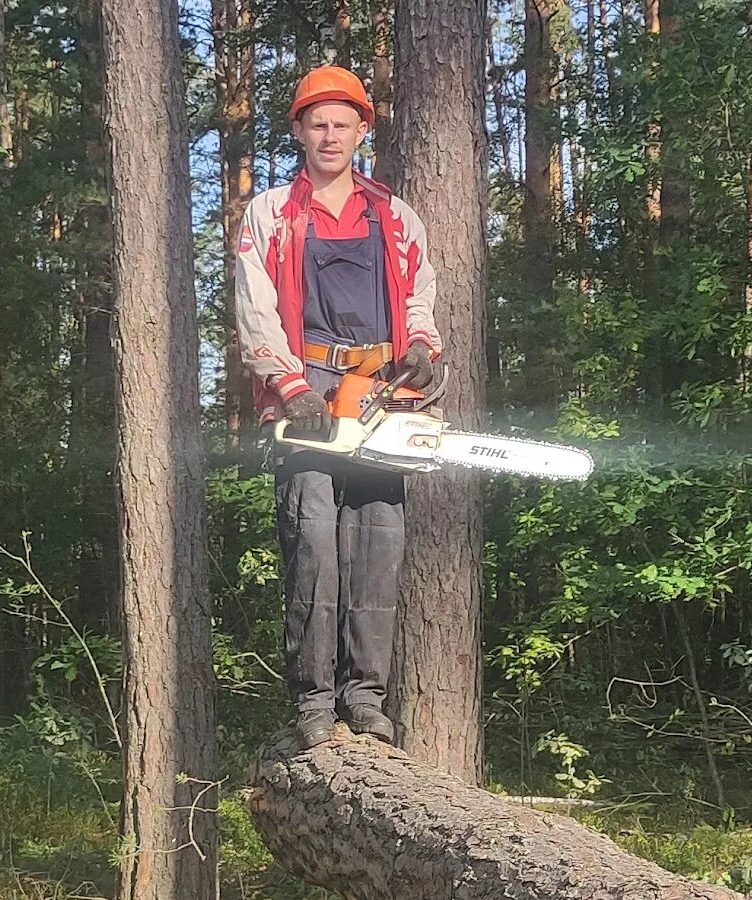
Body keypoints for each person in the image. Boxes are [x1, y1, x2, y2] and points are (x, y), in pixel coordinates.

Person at [234, 66, 442, 749]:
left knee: (379, 547)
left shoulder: (392, 213)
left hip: (383, 391)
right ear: (298, 130)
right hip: (308, 393)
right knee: (314, 548)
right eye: (317, 123)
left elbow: (419, 294)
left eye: (341, 124)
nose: (329, 136)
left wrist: (419, 347)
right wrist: (289, 385)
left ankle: (366, 698)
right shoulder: (270, 214)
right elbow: (255, 307)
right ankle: (314, 703)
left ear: (361, 131)